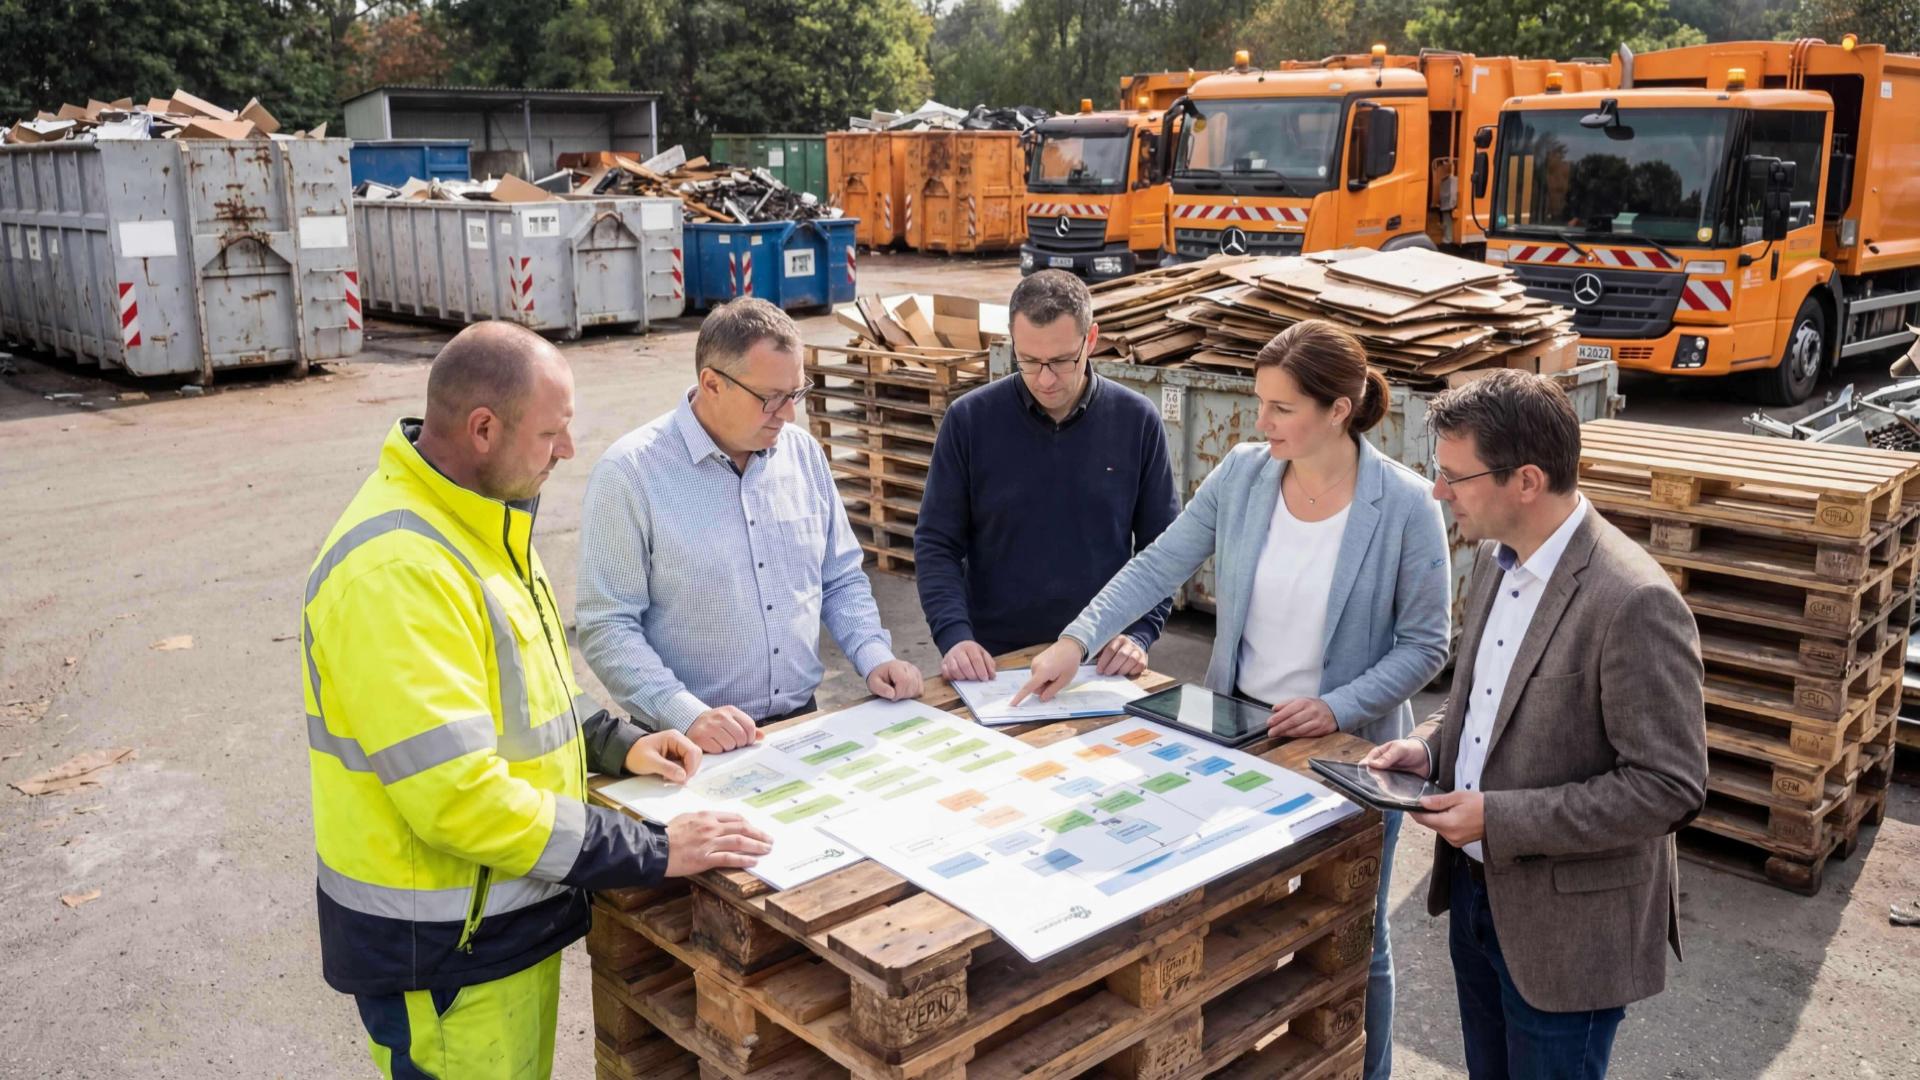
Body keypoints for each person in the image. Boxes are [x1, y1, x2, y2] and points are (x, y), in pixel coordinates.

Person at [302, 321, 773, 1080]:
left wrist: (619, 742)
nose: (568, 450)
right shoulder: (396, 571)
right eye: (552, 432)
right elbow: (461, 798)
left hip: (496, 924)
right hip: (446, 958)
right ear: (483, 430)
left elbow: (529, 691)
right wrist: (657, 852)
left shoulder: (479, 522)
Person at [1018, 319, 1451, 1080]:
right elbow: (1158, 565)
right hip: (1240, 735)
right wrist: (1076, 640)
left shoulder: (1406, 504)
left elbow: (1426, 644)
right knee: (1243, 928)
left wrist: (1339, 706)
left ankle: (1368, 1070)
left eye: (1282, 408)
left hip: (1349, 755)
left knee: (1357, 934)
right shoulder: (1246, 475)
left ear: (1338, 410)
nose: (1262, 422)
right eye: (1260, 403)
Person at [1363, 370, 1707, 1080]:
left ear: (1526, 480)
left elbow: (1668, 786)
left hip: (1568, 933)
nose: (1438, 492)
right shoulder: (1497, 554)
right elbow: (1485, 701)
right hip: (1477, 899)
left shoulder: (1633, 601)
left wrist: (1499, 817)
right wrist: (1428, 748)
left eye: (1455, 476)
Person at [576, 298, 924, 754]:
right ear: (712, 384)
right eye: (771, 399)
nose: (788, 414)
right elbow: (607, 625)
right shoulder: (631, 474)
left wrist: (874, 655)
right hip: (687, 742)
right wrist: (687, 713)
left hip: (802, 726)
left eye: (796, 393)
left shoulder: (801, 454)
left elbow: (838, 578)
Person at [914, 270, 1179, 683]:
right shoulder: (969, 421)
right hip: (993, 663)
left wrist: (1140, 634)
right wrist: (955, 637)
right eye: (1029, 361)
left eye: (1060, 361)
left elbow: (1162, 550)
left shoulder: (1136, 421)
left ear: (1091, 340)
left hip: (1100, 660)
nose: (1045, 378)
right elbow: (936, 543)